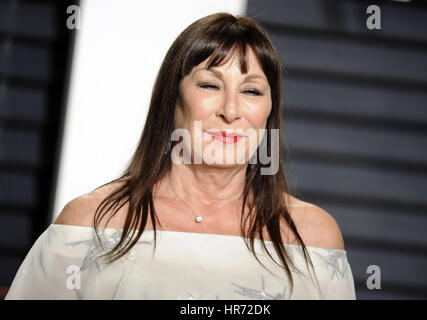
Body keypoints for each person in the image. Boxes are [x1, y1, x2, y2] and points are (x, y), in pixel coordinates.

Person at [5, 12, 356, 300]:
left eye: (250, 90)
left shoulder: (314, 237)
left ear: (269, 111)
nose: (231, 110)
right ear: (171, 100)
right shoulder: (88, 224)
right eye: (209, 85)